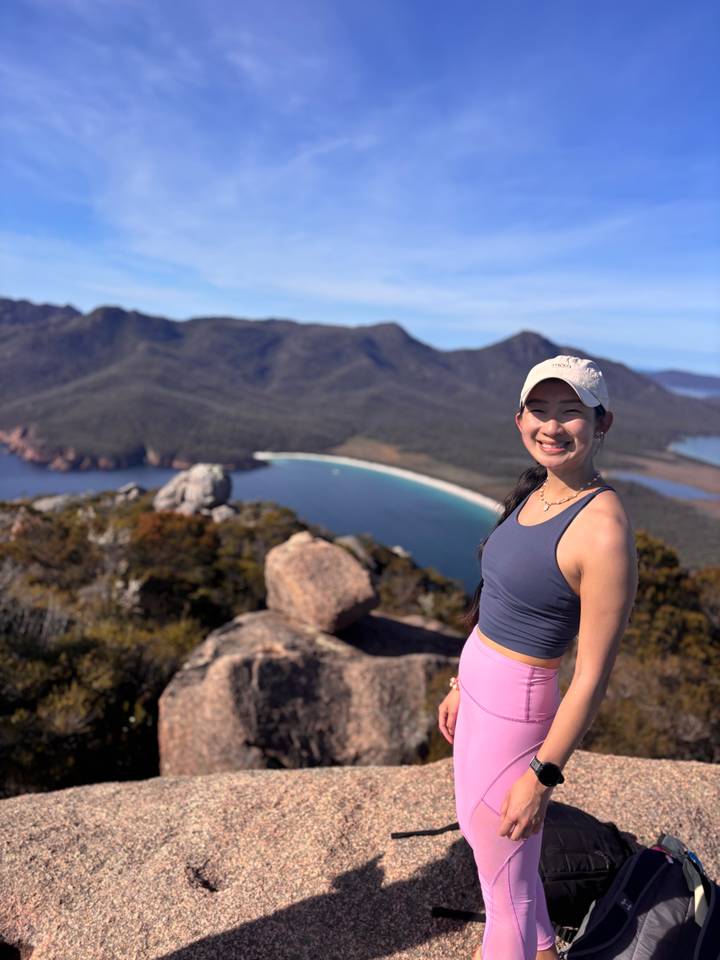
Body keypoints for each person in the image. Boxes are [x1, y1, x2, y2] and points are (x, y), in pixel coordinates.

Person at [437, 355, 639, 960]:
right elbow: (496, 597)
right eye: (539, 411)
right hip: (478, 695)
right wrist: (458, 682)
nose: (552, 426)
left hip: (518, 713)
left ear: (602, 423)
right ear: (519, 418)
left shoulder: (602, 528)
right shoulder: (535, 491)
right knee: (484, 841)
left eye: (570, 412)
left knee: (509, 893)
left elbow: (592, 677)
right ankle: (544, 948)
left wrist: (542, 777)